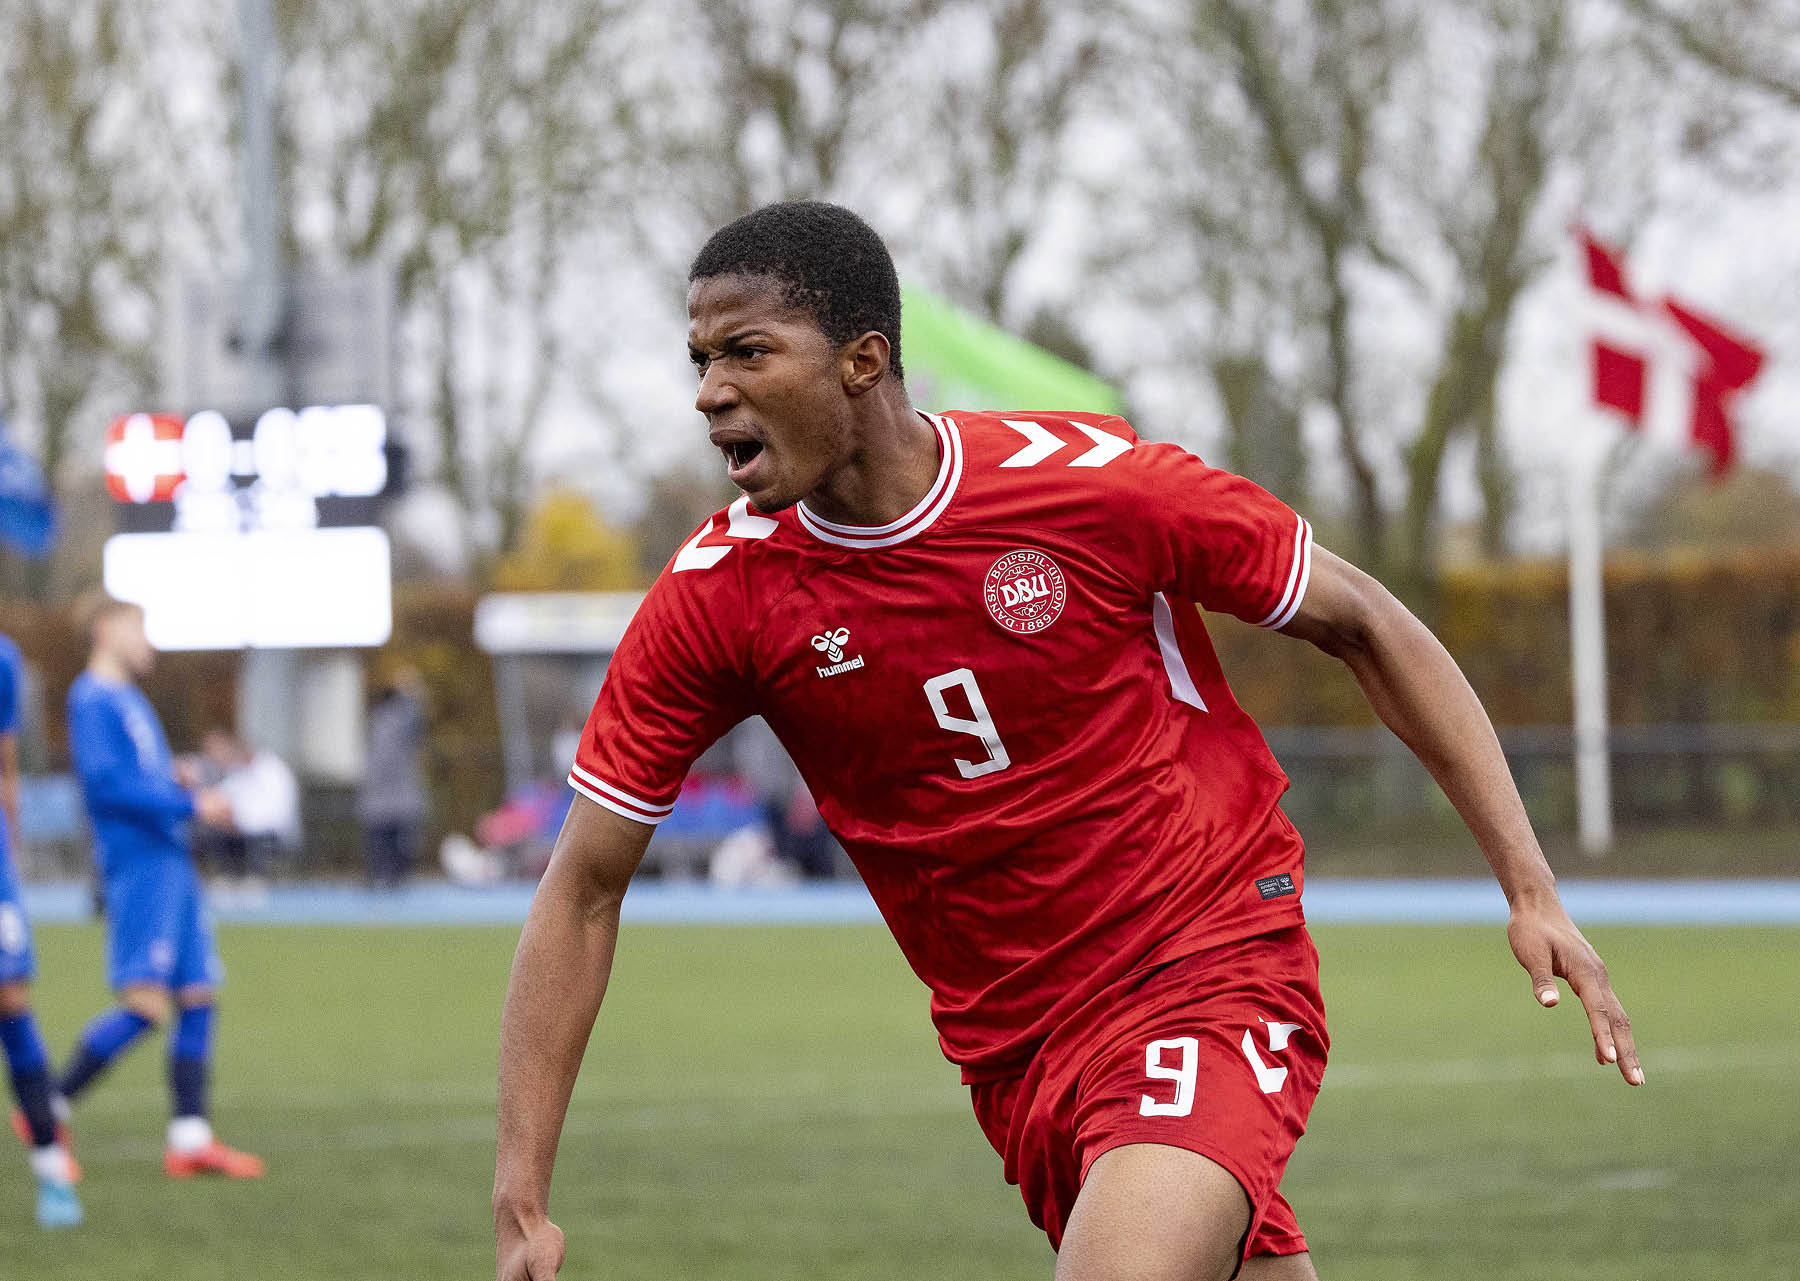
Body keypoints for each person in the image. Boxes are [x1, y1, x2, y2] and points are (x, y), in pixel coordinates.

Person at [493, 202, 1641, 1281]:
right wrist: (522, 1193)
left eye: (746, 352)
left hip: (1208, 958)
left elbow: (1366, 621)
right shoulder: (719, 597)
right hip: (1016, 1051)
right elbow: (584, 889)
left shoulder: (1093, 489)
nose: (709, 392)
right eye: (700, 361)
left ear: (864, 360)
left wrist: (1530, 888)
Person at [59, 597, 264, 1178]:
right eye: (137, 627)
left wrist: (172, 774)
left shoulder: (128, 699)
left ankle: (191, 1140)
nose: (146, 639)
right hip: (140, 862)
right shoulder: (92, 698)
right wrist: (191, 800)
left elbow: (135, 775)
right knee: (147, 1004)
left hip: (171, 861)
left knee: (198, 993)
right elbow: (106, 788)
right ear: (105, 631)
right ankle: (49, 1106)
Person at [0, 630, 82, 1227]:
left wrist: (11, 848)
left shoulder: (4, 658)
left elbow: (5, 765)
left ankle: (52, 1168)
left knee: (11, 1001)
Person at [359, 666, 427, 888]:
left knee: (393, 846)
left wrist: (410, 692)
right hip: (386, 796)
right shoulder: (380, 722)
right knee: (386, 846)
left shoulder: (388, 721)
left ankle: (390, 881)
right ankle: (385, 880)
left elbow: (414, 718)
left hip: (392, 795)